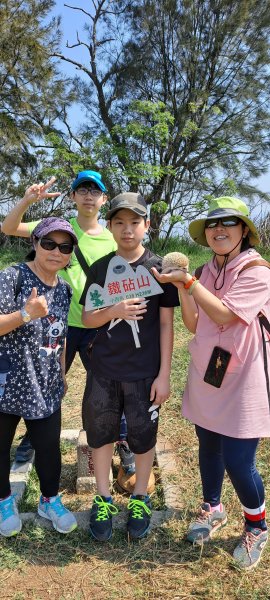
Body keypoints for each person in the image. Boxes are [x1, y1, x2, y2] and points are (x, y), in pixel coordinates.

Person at [152, 196, 270, 570]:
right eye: (213, 225)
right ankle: (213, 507)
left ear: (244, 232)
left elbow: (223, 313)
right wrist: (186, 288)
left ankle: (258, 525)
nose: (219, 230)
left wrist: (187, 281)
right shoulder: (204, 271)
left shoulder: (258, 273)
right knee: (209, 444)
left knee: (239, 460)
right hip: (209, 370)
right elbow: (195, 323)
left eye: (229, 224)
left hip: (245, 376)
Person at [80, 192, 179, 542]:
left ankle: (140, 497)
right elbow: (89, 317)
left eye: (135, 222)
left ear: (146, 226)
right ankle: (104, 498)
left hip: (145, 373)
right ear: (109, 226)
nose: (127, 229)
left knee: (142, 436)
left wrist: (164, 375)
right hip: (103, 370)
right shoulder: (102, 268)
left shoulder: (158, 268)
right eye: (119, 222)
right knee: (101, 433)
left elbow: (167, 325)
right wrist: (114, 310)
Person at [1, 171, 121, 460]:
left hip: (96, 324)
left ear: (104, 199)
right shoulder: (56, 229)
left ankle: (117, 440)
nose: (89, 195)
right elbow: (9, 227)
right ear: (72, 196)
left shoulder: (113, 238)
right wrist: (28, 200)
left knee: (106, 387)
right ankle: (32, 437)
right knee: (44, 383)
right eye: (82, 189)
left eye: (95, 190)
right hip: (56, 325)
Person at [0, 216, 78, 537]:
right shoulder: (12, 277)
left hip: (44, 385)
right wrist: (25, 313)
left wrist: (61, 374)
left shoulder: (65, 290)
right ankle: (4, 501)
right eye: (48, 243)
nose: (56, 252)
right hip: (6, 382)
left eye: (64, 246)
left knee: (48, 447)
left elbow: (60, 337)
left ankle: (50, 500)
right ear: (35, 243)